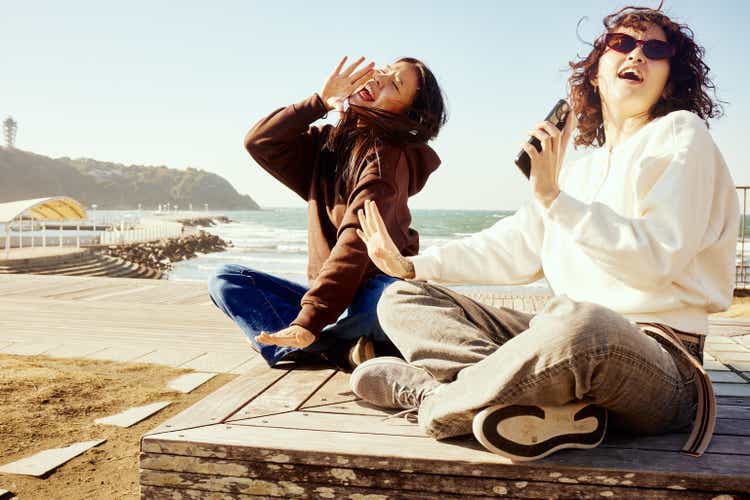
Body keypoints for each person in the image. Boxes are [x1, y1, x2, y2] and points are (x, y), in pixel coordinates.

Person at [351, 6, 738, 461]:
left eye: (655, 49)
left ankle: (430, 400)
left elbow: (656, 260)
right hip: (560, 335)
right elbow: (512, 246)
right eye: (622, 43)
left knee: (581, 324)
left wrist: (556, 198)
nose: (638, 54)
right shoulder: (580, 169)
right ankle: (540, 406)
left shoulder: (681, 136)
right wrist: (413, 266)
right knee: (402, 298)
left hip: (660, 361)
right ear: (595, 72)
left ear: (670, 79)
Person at [208, 56, 447, 369]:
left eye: (396, 83)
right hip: (330, 302)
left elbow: (355, 243)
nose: (379, 77)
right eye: (385, 70)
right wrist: (319, 102)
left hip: (368, 296)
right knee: (226, 279)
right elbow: (260, 142)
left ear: (408, 114)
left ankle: (317, 343)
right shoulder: (328, 145)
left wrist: (308, 321)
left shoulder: (386, 160)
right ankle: (343, 348)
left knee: (390, 300)